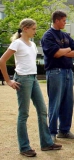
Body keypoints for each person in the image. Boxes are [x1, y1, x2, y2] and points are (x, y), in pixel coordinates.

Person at [0, 18, 62, 157]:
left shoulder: (32, 44)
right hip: (23, 79)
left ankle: (46, 143)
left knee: (42, 110)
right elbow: (2, 61)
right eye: (33, 29)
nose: (35, 31)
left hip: (33, 78)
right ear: (25, 29)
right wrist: (8, 81)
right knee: (24, 114)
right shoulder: (17, 43)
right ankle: (24, 147)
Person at [41, 10, 74, 142]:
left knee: (68, 103)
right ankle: (52, 132)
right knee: (55, 102)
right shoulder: (48, 36)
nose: (65, 22)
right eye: (63, 20)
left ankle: (64, 130)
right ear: (57, 20)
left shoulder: (66, 35)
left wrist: (65, 51)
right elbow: (55, 53)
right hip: (55, 72)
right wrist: (67, 50)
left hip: (68, 72)